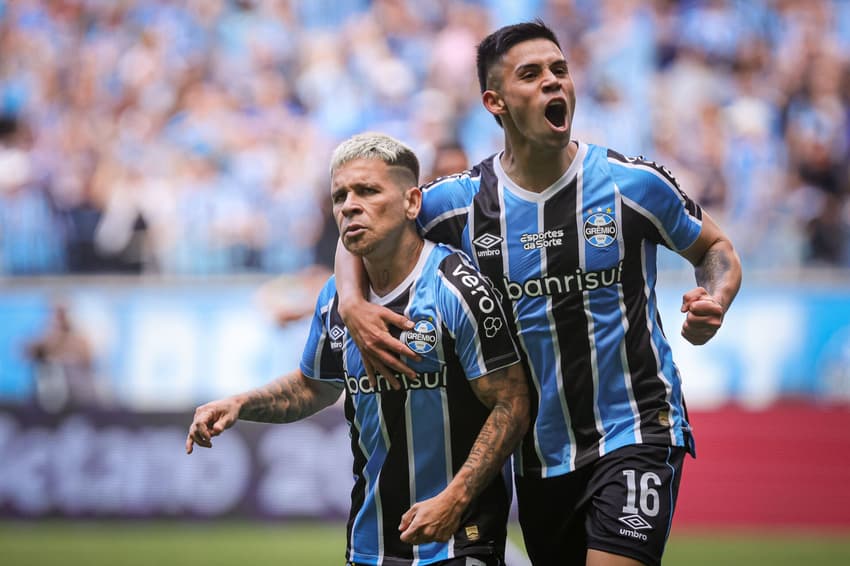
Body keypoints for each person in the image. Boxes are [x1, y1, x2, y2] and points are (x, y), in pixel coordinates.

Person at [335, 21, 743, 566]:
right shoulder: (461, 202)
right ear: (495, 101)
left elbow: (716, 250)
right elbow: (369, 224)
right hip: (537, 458)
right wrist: (351, 303)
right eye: (531, 75)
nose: (554, 83)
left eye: (560, 70)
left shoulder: (631, 184)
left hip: (636, 428)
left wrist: (714, 298)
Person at [186, 132, 529, 566]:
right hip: (370, 545)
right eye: (340, 195)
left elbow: (512, 402)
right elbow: (314, 387)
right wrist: (240, 402)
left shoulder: (456, 288)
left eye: (367, 190)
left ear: (411, 203)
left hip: (458, 540)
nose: (349, 204)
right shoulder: (335, 297)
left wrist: (455, 497)